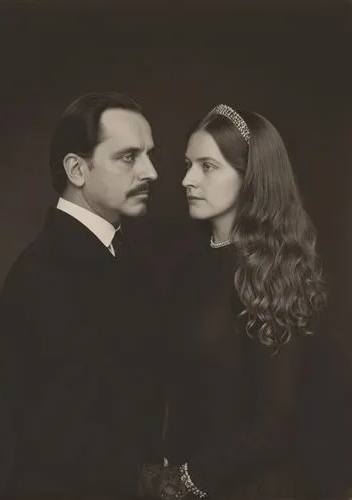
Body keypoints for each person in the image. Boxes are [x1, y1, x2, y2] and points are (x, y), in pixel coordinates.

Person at [140, 104, 329, 499]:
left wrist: (189, 479)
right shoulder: (186, 270)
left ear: (250, 178)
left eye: (208, 166)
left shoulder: (272, 271)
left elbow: (277, 427)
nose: (187, 179)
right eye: (189, 164)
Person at [0, 92, 166, 499]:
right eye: (129, 156)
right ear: (76, 169)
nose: (152, 171)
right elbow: (53, 429)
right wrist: (149, 481)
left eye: (149, 154)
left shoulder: (125, 259)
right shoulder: (43, 274)